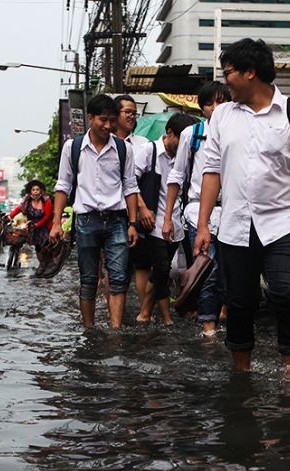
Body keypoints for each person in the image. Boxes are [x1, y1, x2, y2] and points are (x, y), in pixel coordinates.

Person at [193, 38, 290, 374]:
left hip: (283, 224)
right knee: (239, 302)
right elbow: (212, 171)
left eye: (229, 74)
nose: (226, 82)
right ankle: (242, 371)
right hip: (235, 226)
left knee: (287, 294)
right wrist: (203, 224)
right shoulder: (222, 116)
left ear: (250, 73)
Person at [49, 94, 140, 329]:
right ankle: (89, 330)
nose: (108, 126)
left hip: (117, 221)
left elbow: (130, 186)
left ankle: (115, 331)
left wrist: (132, 223)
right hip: (86, 221)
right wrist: (56, 223)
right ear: (90, 118)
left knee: (119, 280)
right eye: (103, 120)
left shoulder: (123, 149)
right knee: (88, 280)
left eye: (112, 120)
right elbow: (63, 185)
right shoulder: (74, 147)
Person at [164, 81, 232, 336]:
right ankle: (208, 327)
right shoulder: (191, 135)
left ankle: (223, 316)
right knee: (206, 271)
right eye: (209, 103)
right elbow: (176, 176)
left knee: (230, 272)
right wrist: (168, 217)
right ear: (201, 108)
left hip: (232, 213)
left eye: (221, 102)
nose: (215, 108)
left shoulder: (239, 133)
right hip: (197, 214)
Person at [147, 112, 198, 326]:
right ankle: (167, 319)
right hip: (154, 224)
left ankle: (145, 311)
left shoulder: (187, 157)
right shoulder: (148, 152)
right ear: (170, 134)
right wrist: (142, 211)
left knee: (171, 270)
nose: (186, 142)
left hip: (180, 223)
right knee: (161, 269)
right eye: (182, 137)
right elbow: (130, 183)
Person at [114, 94, 158, 322]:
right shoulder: (105, 143)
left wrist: (142, 209)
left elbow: (134, 181)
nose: (132, 116)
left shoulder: (144, 145)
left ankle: (144, 313)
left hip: (138, 214)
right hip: (112, 213)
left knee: (142, 263)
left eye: (134, 112)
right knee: (113, 267)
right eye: (127, 112)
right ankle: (114, 317)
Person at [4, 180, 54, 275]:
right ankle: (42, 264)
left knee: (44, 246)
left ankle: (45, 265)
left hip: (45, 226)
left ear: (41, 191)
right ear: (30, 191)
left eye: (37, 189)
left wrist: (37, 224)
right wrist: (9, 216)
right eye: (33, 190)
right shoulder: (27, 201)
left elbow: (47, 216)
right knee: (38, 247)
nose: (35, 191)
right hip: (32, 227)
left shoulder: (46, 201)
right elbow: (18, 209)